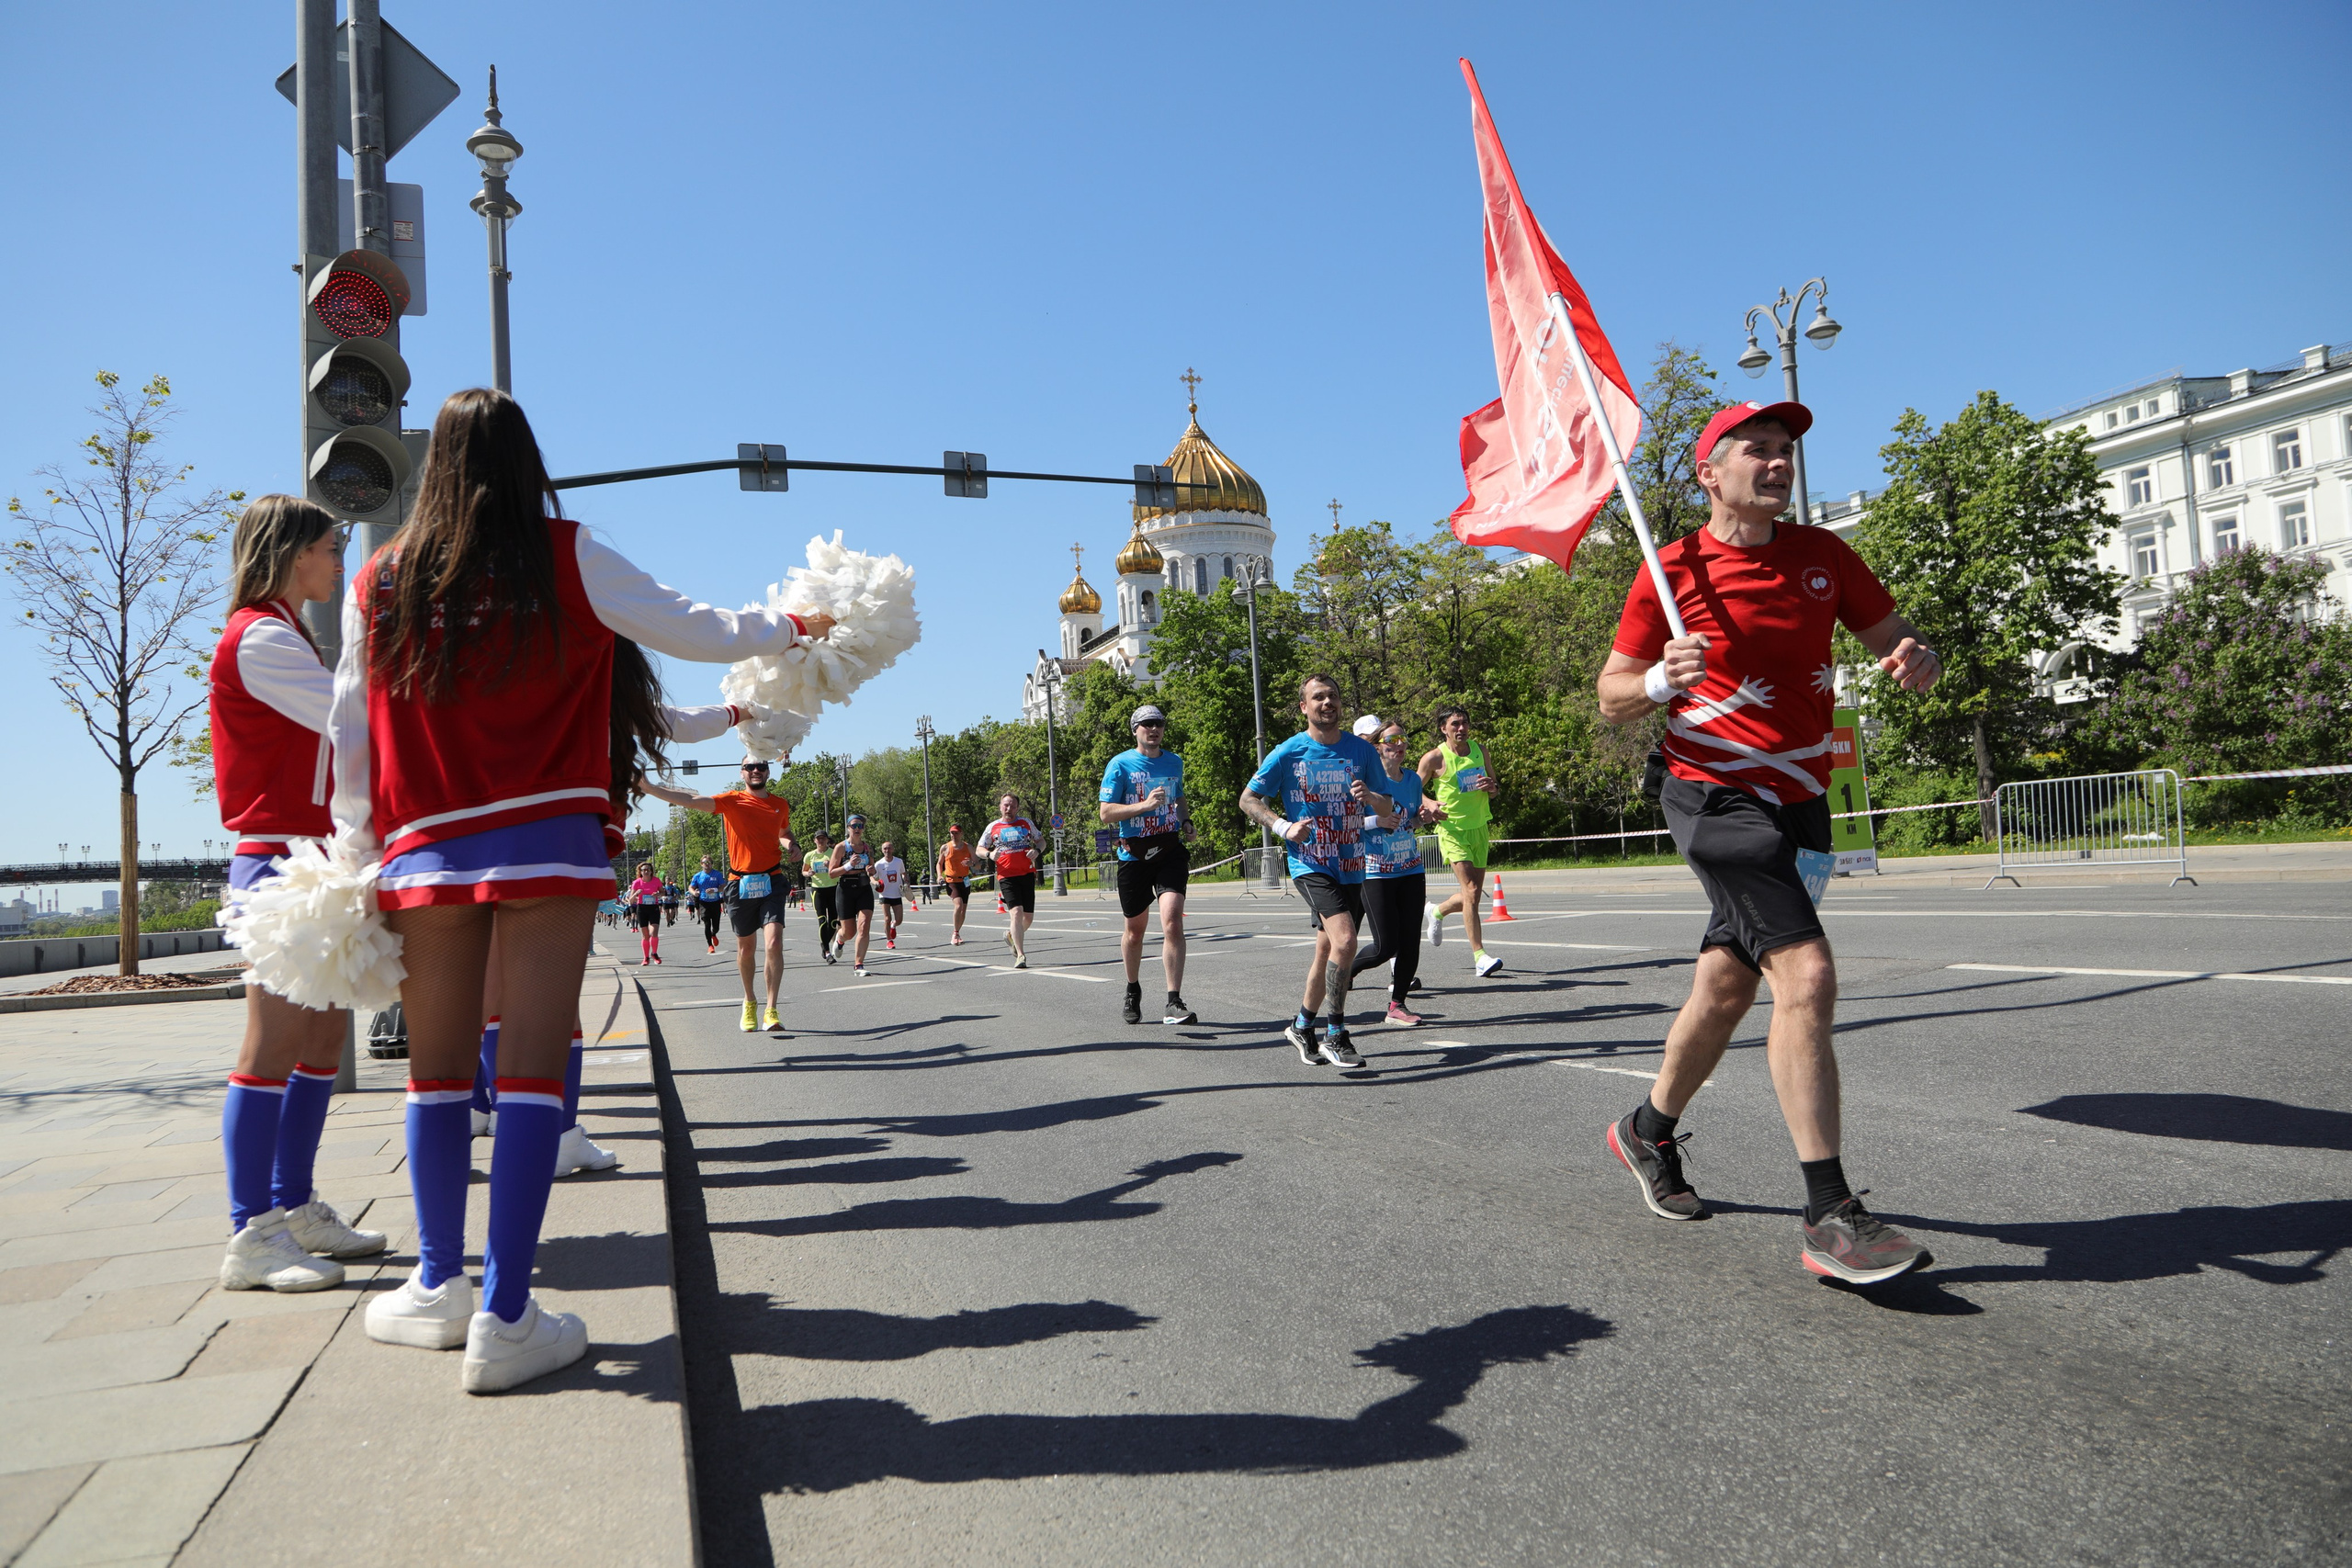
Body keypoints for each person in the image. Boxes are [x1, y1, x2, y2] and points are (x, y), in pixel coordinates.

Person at [342, 387, 831, 1393]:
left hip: (425, 851)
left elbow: (349, 726)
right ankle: (505, 1316)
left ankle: (438, 1283)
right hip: (545, 843)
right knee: (526, 1071)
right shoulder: (566, 554)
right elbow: (692, 626)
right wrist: (787, 627)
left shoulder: (378, 580)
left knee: (434, 1077)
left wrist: (355, 851)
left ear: (432, 468)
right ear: (528, 465)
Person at [1597, 399, 1941, 1284]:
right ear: (1710, 473)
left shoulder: (1824, 557)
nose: (1779, 461)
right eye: (1759, 448)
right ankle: (1831, 1212)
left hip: (1802, 799)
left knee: (1724, 987)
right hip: (1714, 796)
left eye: (1787, 449)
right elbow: (1611, 693)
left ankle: (1646, 1130)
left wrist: (1915, 655)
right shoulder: (1670, 570)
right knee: (1809, 973)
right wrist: (1658, 680)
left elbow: (1896, 636)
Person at [208, 493, 387, 1293]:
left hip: (315, 860)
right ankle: (251, 1232)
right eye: (330, 543)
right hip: (280, 863)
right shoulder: (260, 639)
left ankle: (296, 1205)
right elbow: (356, 725)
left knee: (319, 1047)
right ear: (290, 553)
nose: (339, 555)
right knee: (271, 1049)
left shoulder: (284, 635)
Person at [1238, 675, 1395, 1069]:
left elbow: (1386, 805)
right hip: (1310, 861)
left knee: (1327, 949)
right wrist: (1283, 827)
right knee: (1346, 942)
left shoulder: (1361, 751)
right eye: (1318, 697)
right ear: (1304, 707)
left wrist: (1369, 798)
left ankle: (1302, 1026)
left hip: (1352, 863)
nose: (1328, 703)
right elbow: (1249, 798)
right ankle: (1336, 1033)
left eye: (1334, 697)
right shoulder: (1289, 751)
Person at [640, 758, 795, 1032]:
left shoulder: (780, 803)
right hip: (740, 883)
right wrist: (651, 788)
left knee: (773, 943)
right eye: (750, 767)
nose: (755, 771)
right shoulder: (731, 801)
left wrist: (790, 844)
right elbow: (692, 799)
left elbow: (783, 831)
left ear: (768, 771)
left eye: (760, 766)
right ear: (742, 772)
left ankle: (772, 1009)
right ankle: (750, 1001)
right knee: (746, 948)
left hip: (772, 880)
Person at [1099, 704, 1193, 1026]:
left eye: (1159, 724)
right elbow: (1106, 813)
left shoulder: (1173, 762)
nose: (1154, 729)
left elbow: (1178, 798)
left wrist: (1186, 821)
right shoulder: (1120, 764)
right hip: (1134, 856)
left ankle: (1174, 1000)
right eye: (1147, 724)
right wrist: (1144, 805)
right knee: (1135, 933)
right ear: (1135, 730)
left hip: (1169, 849)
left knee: (1172, 921)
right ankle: (1132, 989)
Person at [1351, 716, 1439, 1027]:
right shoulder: (1365, 782)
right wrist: (1377, 821)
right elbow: (1347, 825)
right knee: (1386, 945)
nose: (1399, 746)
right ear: (1377, 748)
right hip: (1375, 870)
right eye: (1392, 741)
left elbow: (1409, 821)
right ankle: (1347, 969)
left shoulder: (1413, 781)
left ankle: (1397, 1004)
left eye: (1403, 740)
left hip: (1411, 867)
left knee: (1411, 940)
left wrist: (1426, 818)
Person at [1419, 706, 1502, 979]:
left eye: (1465, 723)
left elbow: (1495, 788)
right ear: (1444, 728)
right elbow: (1410, 789)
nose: (1461, 728)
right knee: (1471, 889)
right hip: (1452, 829)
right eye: (1455, 724)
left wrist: (1491, 787)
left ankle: (1437, 911)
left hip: (1479, 828)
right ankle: (1480, 956)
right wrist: (1429, 803)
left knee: (1474, 895)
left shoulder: (1480, 750)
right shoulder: (1434, 758)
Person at [978, 793, 1042, 969]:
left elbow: (1041, 840)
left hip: (1027, 874)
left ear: (1017, 808)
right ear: (1000, 806)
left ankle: (1011, 936)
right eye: (1006, 805)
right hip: (1006, 875)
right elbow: (979, 848)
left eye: (1013, 806)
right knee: (1016, 912)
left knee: (1028, 918)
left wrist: (1036, 850)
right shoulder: (993, 827)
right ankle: (1020, 955)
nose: (1009, 809)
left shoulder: (1026, 823)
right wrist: (989, 854)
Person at [830, 815, 878, 975]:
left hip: (863, 889)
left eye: (860, 826)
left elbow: (872, 870)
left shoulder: (867, 848)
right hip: (845, 889)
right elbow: (831, 873)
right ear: (848, 828)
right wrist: (849, 865)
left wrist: (874, 877)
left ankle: (859, 965)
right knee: (849, 932)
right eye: (854, 825)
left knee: (863, 927)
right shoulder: (841, 848)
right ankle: (840, 939)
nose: (857, 829)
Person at [802, 830, 841, 961]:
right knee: (822, 920)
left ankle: (823, 943)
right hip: (818, 890)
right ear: (814, 841)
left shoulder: (833, 852)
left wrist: (830, 865)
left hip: (833, 888)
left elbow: (842, 868)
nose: (821, 841)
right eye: (818, 839)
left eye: (823, 838)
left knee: (834, 921)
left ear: (826, 840)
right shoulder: (810, 855)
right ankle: (827, 951)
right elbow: (804, 871)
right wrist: (809, 874)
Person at [938, 824, 973, 944]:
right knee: (958, 905)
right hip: (951, 881)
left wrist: (971, 863)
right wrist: (939, 876)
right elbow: (939, 864)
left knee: (963, 911)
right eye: (952, 833)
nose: (954, 835)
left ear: (961, 834)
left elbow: (978, 864)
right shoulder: (945, 847)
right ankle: (955, 934)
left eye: (957, 833)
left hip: (965, 881)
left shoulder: (968, 847)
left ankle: (957, 932)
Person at [627, 860, 665, 964]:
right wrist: (636, 894)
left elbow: (663, 892)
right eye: (644, 870)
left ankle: (655, 953)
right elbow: (631, 900)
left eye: (648, 869)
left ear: (651, 871)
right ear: (641, 872)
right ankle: (646, 957)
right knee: (646, 935)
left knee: (654, 932)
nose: (646, 871)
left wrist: (658, 894)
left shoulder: (656, 881)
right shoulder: (637, 882)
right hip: (642, 909)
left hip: (653, 908)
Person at [689, 854, 728, 953]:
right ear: (701, 864)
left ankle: (714, 933)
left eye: (709, 863)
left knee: (716, 926)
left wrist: (715, 890)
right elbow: (691, 887)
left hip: (715, 902)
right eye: (705, 863)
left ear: (711, 864)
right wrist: (695, 893)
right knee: (707, 923)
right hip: (704, 902)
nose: (707, 865)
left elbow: (723, 886)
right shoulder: (698, 876)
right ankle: (710, 945)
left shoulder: (717, 874)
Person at [875, 840, 908, 949]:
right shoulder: (879, 864)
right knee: (887, 918)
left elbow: (903, 873)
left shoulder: (898, 861)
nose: (887, 851)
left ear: (893, 849)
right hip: (884, 895)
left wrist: (906, 882)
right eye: (885, 849)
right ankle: (889, 940)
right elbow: (873, 877)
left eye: (889, 848)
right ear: (882, 850)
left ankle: (893, 925)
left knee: (899, 920)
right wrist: (876, 883)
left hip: (897, 894)